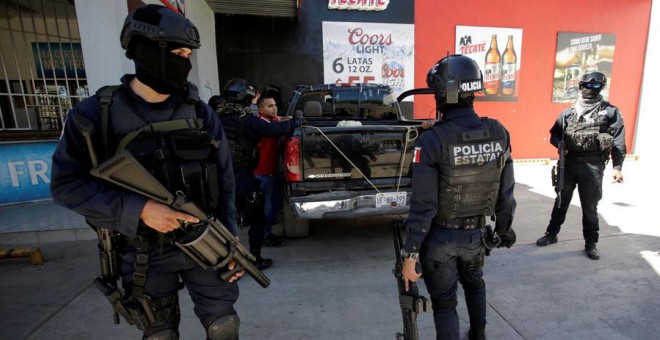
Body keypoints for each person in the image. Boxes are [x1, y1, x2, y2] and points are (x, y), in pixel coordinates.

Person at [50, 5, 243, 339]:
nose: (185, 62)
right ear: (146, 50)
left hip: (204, 244)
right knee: (160, 335)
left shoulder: (199, 112)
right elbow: (66, 185)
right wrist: (139, 211)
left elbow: (225, 180)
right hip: (143, 252)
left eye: (188, 54)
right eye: (178, 52)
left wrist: (231, 240)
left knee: (224, 326)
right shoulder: (96, 115)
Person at [400, 54, 517, 340]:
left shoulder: (431, 141)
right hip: (476, 235)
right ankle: (479, 335)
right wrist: (503, 230)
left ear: (444, 93)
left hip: (440, 241)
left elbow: (423, 204)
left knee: (445, 305)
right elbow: (506, 193)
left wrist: (410, 253)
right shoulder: (498, 131)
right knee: (475, 285)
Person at [536, 71, 626, 260]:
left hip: (593, 166)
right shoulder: (568, 112)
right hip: (569, 164)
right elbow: (554, 134)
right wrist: (559, 144)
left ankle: (591, 243)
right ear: (580, 87)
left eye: (595, 86)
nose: (590, 89)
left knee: (590, 207)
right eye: (587, 85)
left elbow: (618, 141)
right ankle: (551, 234)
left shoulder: (610, 112)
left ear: (601, 88)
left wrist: (617, 167)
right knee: (561, 201)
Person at [217, 78, 299, 270]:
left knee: (224, 221)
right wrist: (296, 121)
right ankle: (254, 259)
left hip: (218, 178)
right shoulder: (248, 121)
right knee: (258, 219)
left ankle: (223, 260)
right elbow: (275, 130)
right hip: (243, 178)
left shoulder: (215, 118)